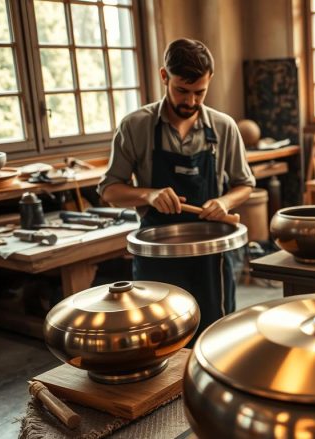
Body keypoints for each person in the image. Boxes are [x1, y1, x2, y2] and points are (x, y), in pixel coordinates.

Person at [98, 38, 255, 336]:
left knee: (215, 335)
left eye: (200, 92)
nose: (191, 102)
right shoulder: (135, 126)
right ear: (163, 76)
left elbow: (244, 185)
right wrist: (148, 194)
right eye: (182, 90)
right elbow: (109, 190)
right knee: (160, 336)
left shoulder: (224, 128)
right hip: (158, 255)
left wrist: (224, 202)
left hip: (211, 254)